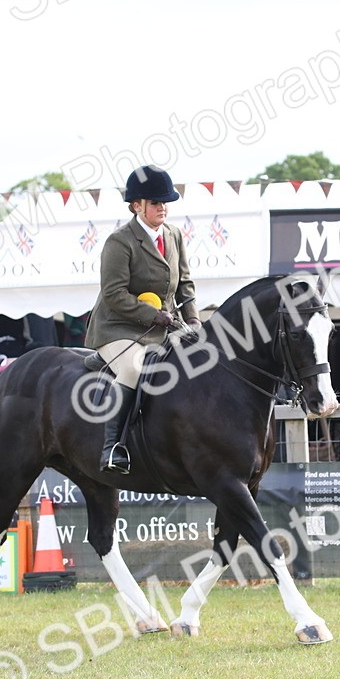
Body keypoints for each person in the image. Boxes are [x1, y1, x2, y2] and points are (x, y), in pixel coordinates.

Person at [85, 165, 199, 473]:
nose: (163, 208)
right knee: (134, 368)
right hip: (118, 327)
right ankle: (112, 448)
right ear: (137, 206)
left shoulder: (174, 235)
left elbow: (185, 283)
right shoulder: (120, 242)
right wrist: (154, 315)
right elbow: (114, 293)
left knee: (199, 359)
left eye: (165, 202)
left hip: (164, 326)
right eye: (155, 202)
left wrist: (194, 321)